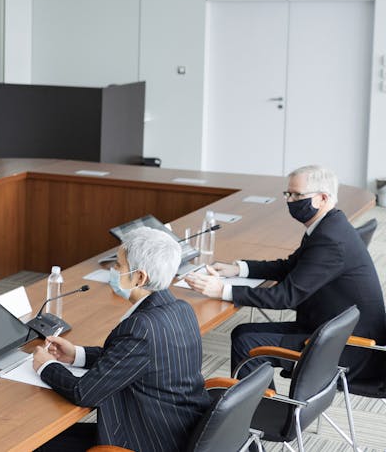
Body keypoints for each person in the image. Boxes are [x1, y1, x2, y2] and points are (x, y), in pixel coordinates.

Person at [185, 164, 386, 381]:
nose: (289, 200)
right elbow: (290, 266)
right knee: (243, 333)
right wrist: (240, 269)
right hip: (330, 328)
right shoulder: (329, 225)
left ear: (323, 198)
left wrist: (223, 290)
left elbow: (285, 297)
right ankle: (263, 401)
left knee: (248, 343)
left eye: (297, 195)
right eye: (288, 194)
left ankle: (258, 411)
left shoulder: (330, 240)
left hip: (350, 348)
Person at [33, 227, 210, 452]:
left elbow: (84, 393)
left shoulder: (142, 328)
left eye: (118, 265)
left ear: (139, 277)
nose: (113, 270)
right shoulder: (180, 308)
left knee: (38, 444)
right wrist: (77, 354)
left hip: (150, 440)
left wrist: (45, 366)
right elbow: (132, 358)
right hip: (179, 426)